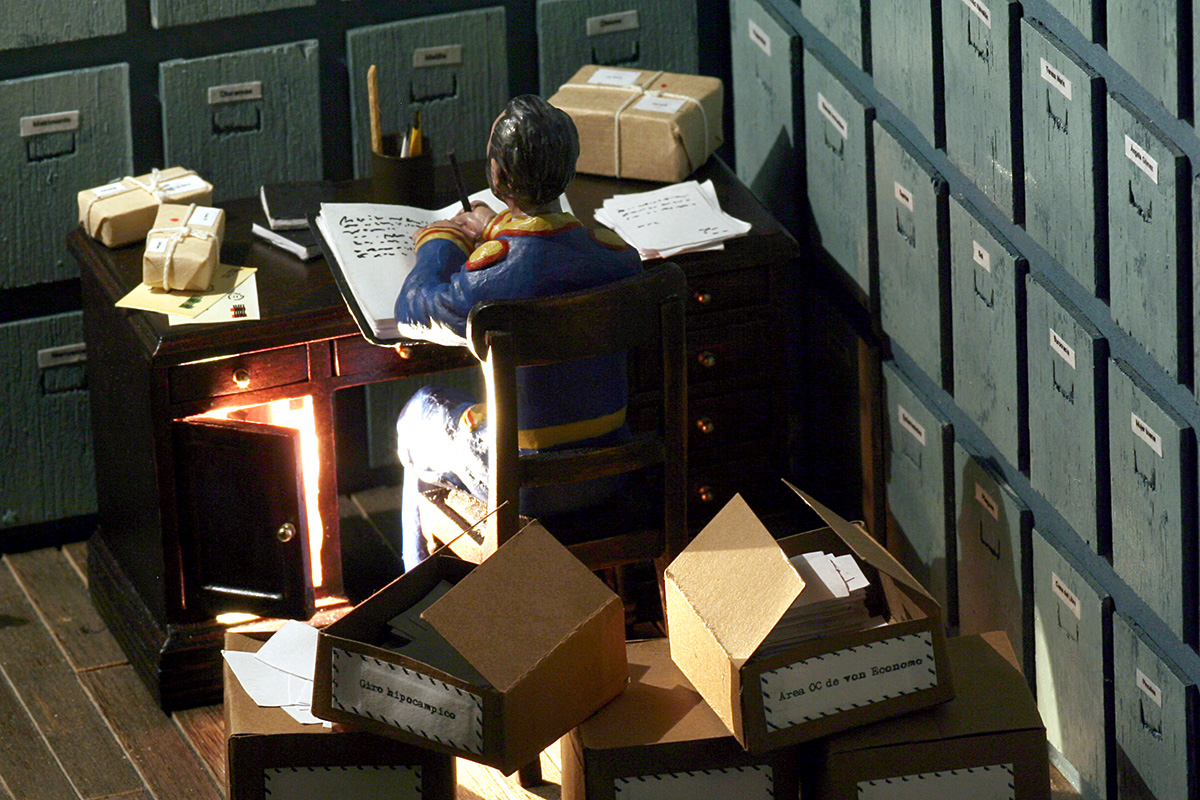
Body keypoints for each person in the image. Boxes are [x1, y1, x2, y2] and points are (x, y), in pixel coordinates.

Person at [392, 94, 642, 570]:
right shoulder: (617, 260)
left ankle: (418, 585)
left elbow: (413, 307)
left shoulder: (490, 281)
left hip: (524, 485)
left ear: (498, 175)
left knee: (418, 412)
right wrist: (500, 227)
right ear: (569, 168)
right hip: (612, 466)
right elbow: (550, 249)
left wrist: (441, 241)